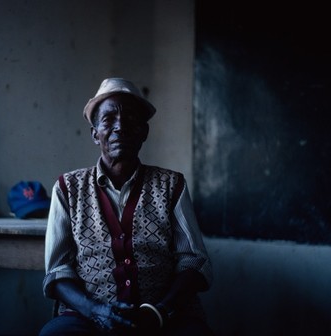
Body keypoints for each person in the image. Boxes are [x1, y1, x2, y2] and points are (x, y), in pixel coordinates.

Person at [39, 78, 213, 336]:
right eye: (109, 119)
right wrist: (95, 310)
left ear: (144, 132)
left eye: (131, 119)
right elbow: (57, 271)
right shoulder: (67, 188)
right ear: (94, 134)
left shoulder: (171, 185)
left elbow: (195, 262)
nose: (120, 127)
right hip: (88, 316)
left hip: (163, 314)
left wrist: (158, 312)